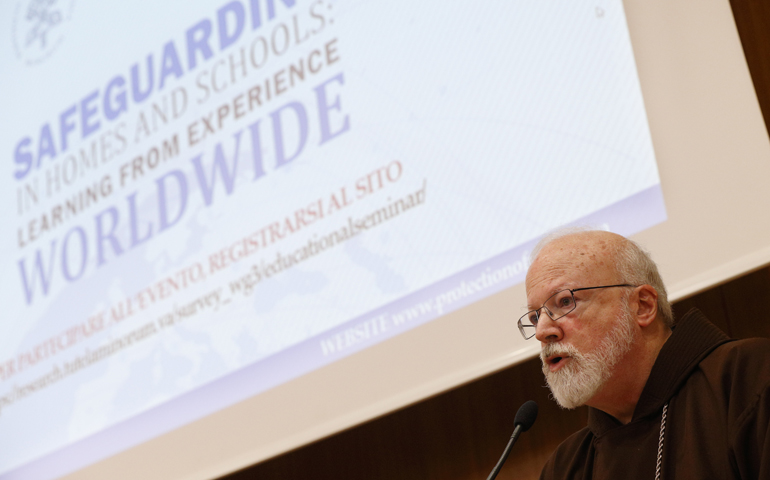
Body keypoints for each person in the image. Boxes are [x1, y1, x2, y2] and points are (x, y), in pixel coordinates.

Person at [520, 229, 770, 479]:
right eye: (535, 316)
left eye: (565, 302)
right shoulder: (564, 469)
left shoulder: (749, 380)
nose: (542, 331)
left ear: (643, 306)